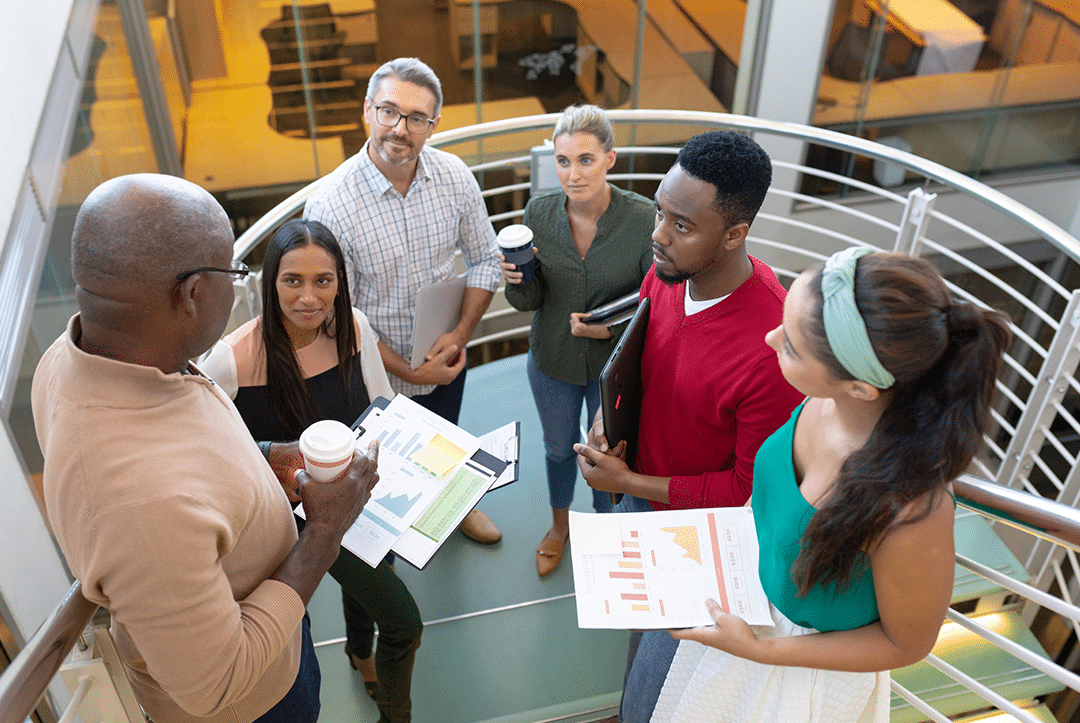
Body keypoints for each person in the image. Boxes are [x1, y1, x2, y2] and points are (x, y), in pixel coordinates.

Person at [31, 174, 380, 723]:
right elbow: (216, 685)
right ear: (191, 293)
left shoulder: (81, 352)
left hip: (277, 621)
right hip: (258, 704)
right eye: (233, 273)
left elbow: (188, 463)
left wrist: (265, 456)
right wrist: (325, 532)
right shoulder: (138, 503)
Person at [650, 248, 1012, 722]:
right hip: (745, 615)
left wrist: (762, 651)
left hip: (800, 683)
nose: (769, 336)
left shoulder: (909, 510)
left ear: (860, 388)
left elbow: (907, 642)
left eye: (792, 346)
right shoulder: (821, 400)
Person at [574, 130, 804, 723]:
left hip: (697, 547)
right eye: (658, 212)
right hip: (637, 495)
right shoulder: (667, 274)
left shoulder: (773, 347)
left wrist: (628, 485)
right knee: (635, 641)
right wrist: (605, 418)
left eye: (681, 225)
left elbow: (741, 492)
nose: (657, 235)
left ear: (734, 234)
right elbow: (640, 362)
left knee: (650, 701)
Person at [200, 219, 422, 723]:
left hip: (357, 497)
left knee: (372, 582)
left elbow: (383, 408)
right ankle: (396, 715)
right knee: (405, 623)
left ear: (340, 280)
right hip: (295, 517)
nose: (309, 297)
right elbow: (211, 450)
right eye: (292, 280)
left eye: (323, 280)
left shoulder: (355, 329)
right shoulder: (230, 360)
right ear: (269, 281)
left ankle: (359, 653)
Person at [305, 56, 502, 545]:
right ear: (367, 111)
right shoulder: (331, 205)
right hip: (373, 371)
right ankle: (395, 529)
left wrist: (459, 336)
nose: (400, 128)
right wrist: (409, 372)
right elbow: (332, 316)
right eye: (389, 112)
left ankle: (453, 506)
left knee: (444, 439)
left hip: (444, 351)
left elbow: (486, 260)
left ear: (433, 126)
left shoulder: (455, 177)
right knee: (384, 467)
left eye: (417, 118)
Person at [501, 104, 654, 576]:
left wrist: (610, 328)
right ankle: (560, 526)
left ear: (610, 158)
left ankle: (608, 535)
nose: (572, 173)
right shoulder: (537, 213)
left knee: (608, 454)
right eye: (562, 161)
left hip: (614, 364)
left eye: (585, 160)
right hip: (553, 359)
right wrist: (516, 281)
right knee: (556, 448)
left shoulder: (644, 218)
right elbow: (528, 302)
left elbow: (656, 301)